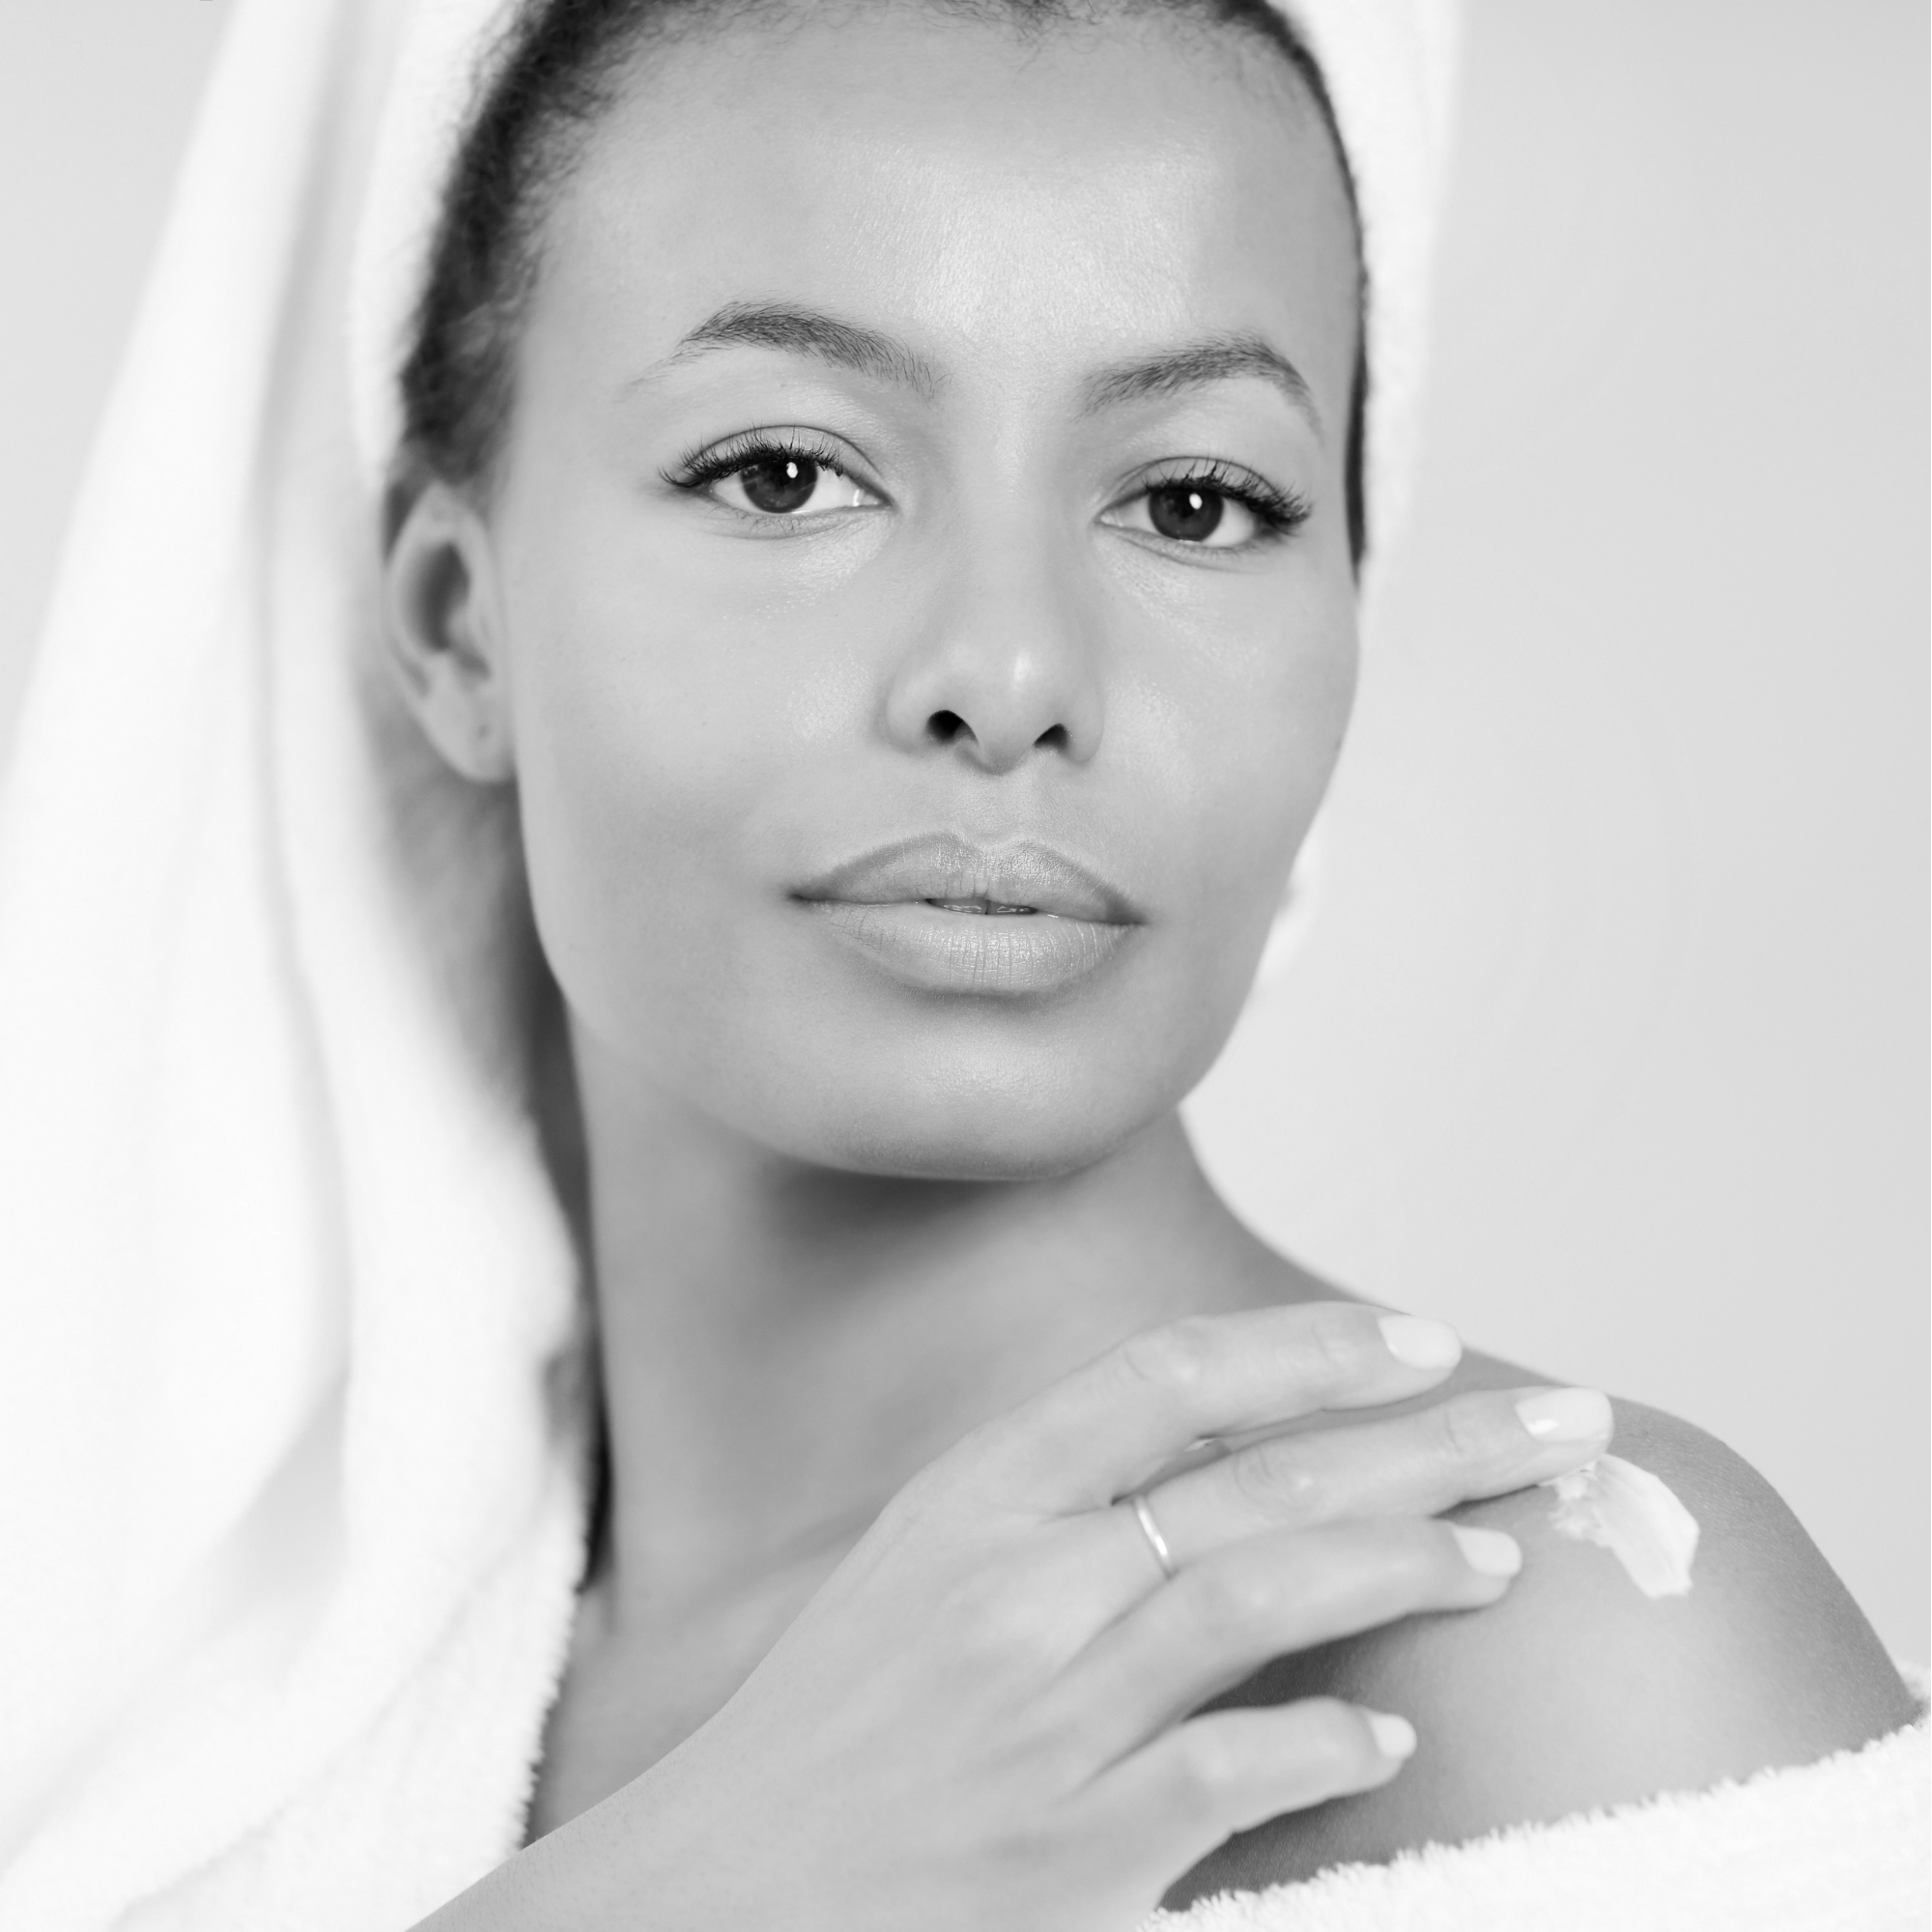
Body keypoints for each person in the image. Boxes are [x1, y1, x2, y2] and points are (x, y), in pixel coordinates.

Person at [0, 1, 1919, 1927]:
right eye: (783, 474)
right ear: (454, 622)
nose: (1007, 674)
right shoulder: (193, 1709)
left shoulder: (1567, 1627)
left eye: (1194, 501)